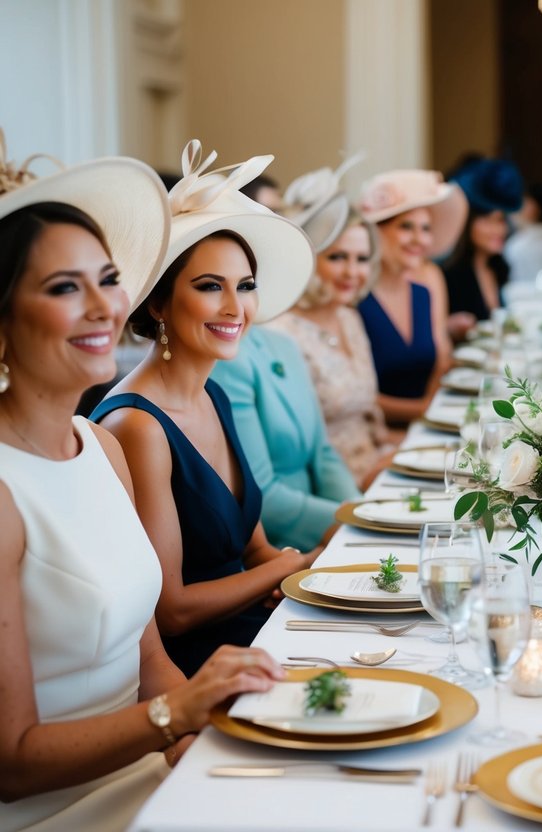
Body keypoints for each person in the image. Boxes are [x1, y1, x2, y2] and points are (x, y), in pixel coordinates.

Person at [0, 139, 281, 832]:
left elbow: (149, 653)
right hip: (63, 809)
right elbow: (11, 763)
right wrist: (176, 717)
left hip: (150, 769)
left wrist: (204, 755)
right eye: (65, 287)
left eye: (107, 278)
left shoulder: (99, 446)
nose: (104, 307)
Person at [93, 142, 319, 676]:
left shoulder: (213, 393)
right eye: (209, 287)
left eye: (245, 286)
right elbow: (170, 612)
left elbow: (258, 549)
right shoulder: (138, 425)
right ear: (157, 302)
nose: (234, 308)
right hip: (197, 666)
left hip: (253, 630)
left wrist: (306, 573)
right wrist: (291, 568)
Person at [210, 160, 366, 549]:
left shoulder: (281, 344)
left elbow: (324, 453)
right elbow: (265, 497)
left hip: (328, 529)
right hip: (287, 545)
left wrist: (361, 512)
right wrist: (352, 527)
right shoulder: (228, 360)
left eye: (246, 284)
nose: (236, 302)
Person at [269, 162, 399, 487]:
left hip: (378, 470)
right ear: (309, 259)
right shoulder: (282, 334)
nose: (352, 273)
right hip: (332, 488)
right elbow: (299, 451)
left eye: (361, 259)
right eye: (338, 257)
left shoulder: (348, 317)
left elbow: (369, 417)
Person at [357, 170, 467, 425]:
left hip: (427, 429)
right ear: (377, 232)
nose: (419, 239)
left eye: (426, 228)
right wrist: (424, 410)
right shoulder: (356, 300)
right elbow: (356, 397)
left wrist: (430, 410)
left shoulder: (423, 294)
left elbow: (441, 360)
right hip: (375, 432)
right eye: (406, 227)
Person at [443, 158, 525, 340]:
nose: (499, 230)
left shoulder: (497, 267)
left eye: (501, 220)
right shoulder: (450, 275)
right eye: (489, 221)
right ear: (468, 222)